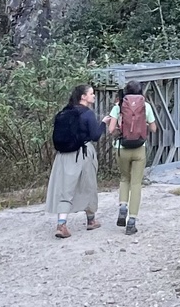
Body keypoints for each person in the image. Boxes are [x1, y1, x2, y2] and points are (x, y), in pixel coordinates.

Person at [47, 82, 107, 238]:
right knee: (89, 185)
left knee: (65, 189)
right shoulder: (87, 114)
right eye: (91, 93)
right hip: (83, 153)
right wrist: (104, 123)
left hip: (63, 156)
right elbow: (95, 136)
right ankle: (91, 220)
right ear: (83, 97)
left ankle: (61, 224)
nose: (94, 96)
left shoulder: (64, 112)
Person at [106, 82, 157, 235]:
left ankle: (123, 207)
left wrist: (119, 131)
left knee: (124, 179)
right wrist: (144, 125)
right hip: (139, 148)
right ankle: (132, 222)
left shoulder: (119, 106)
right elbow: (154, 128)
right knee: (136, 183)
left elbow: (111, 130)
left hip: (122, 148)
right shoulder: (146, 106)